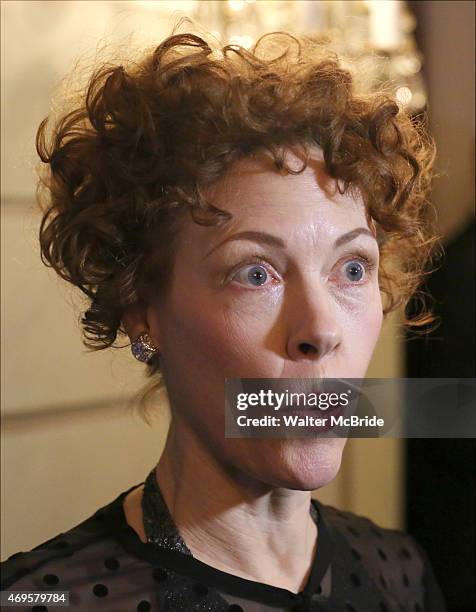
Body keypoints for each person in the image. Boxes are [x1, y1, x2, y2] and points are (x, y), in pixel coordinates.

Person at [1, 30, 446, 611]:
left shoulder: (400, 571)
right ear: (142, 313)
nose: (322, 329)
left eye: (353, 269)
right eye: (256, 274)